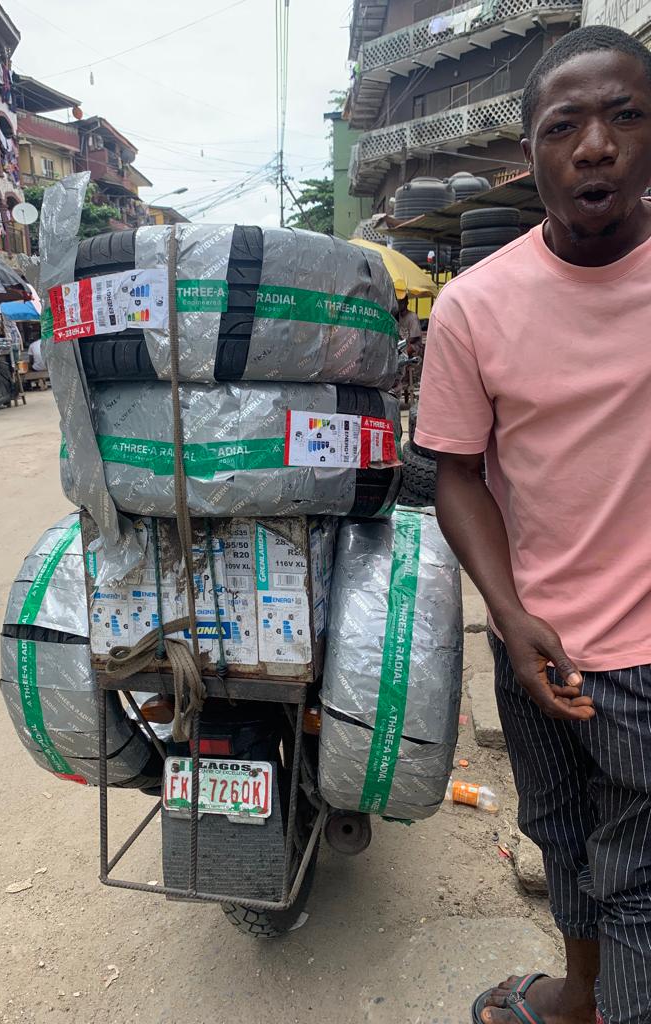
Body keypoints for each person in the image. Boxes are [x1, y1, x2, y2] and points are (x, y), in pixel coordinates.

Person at [415, 25, 651, 1024]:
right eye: (565, 126)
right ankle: (582, 999)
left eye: (625, 116)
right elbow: (457, 472)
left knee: (638, 879)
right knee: (559, 834)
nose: (595, 145)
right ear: (531, 154)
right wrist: (509, 617)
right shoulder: (475, 306)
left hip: (647, 661)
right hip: (537, 646)